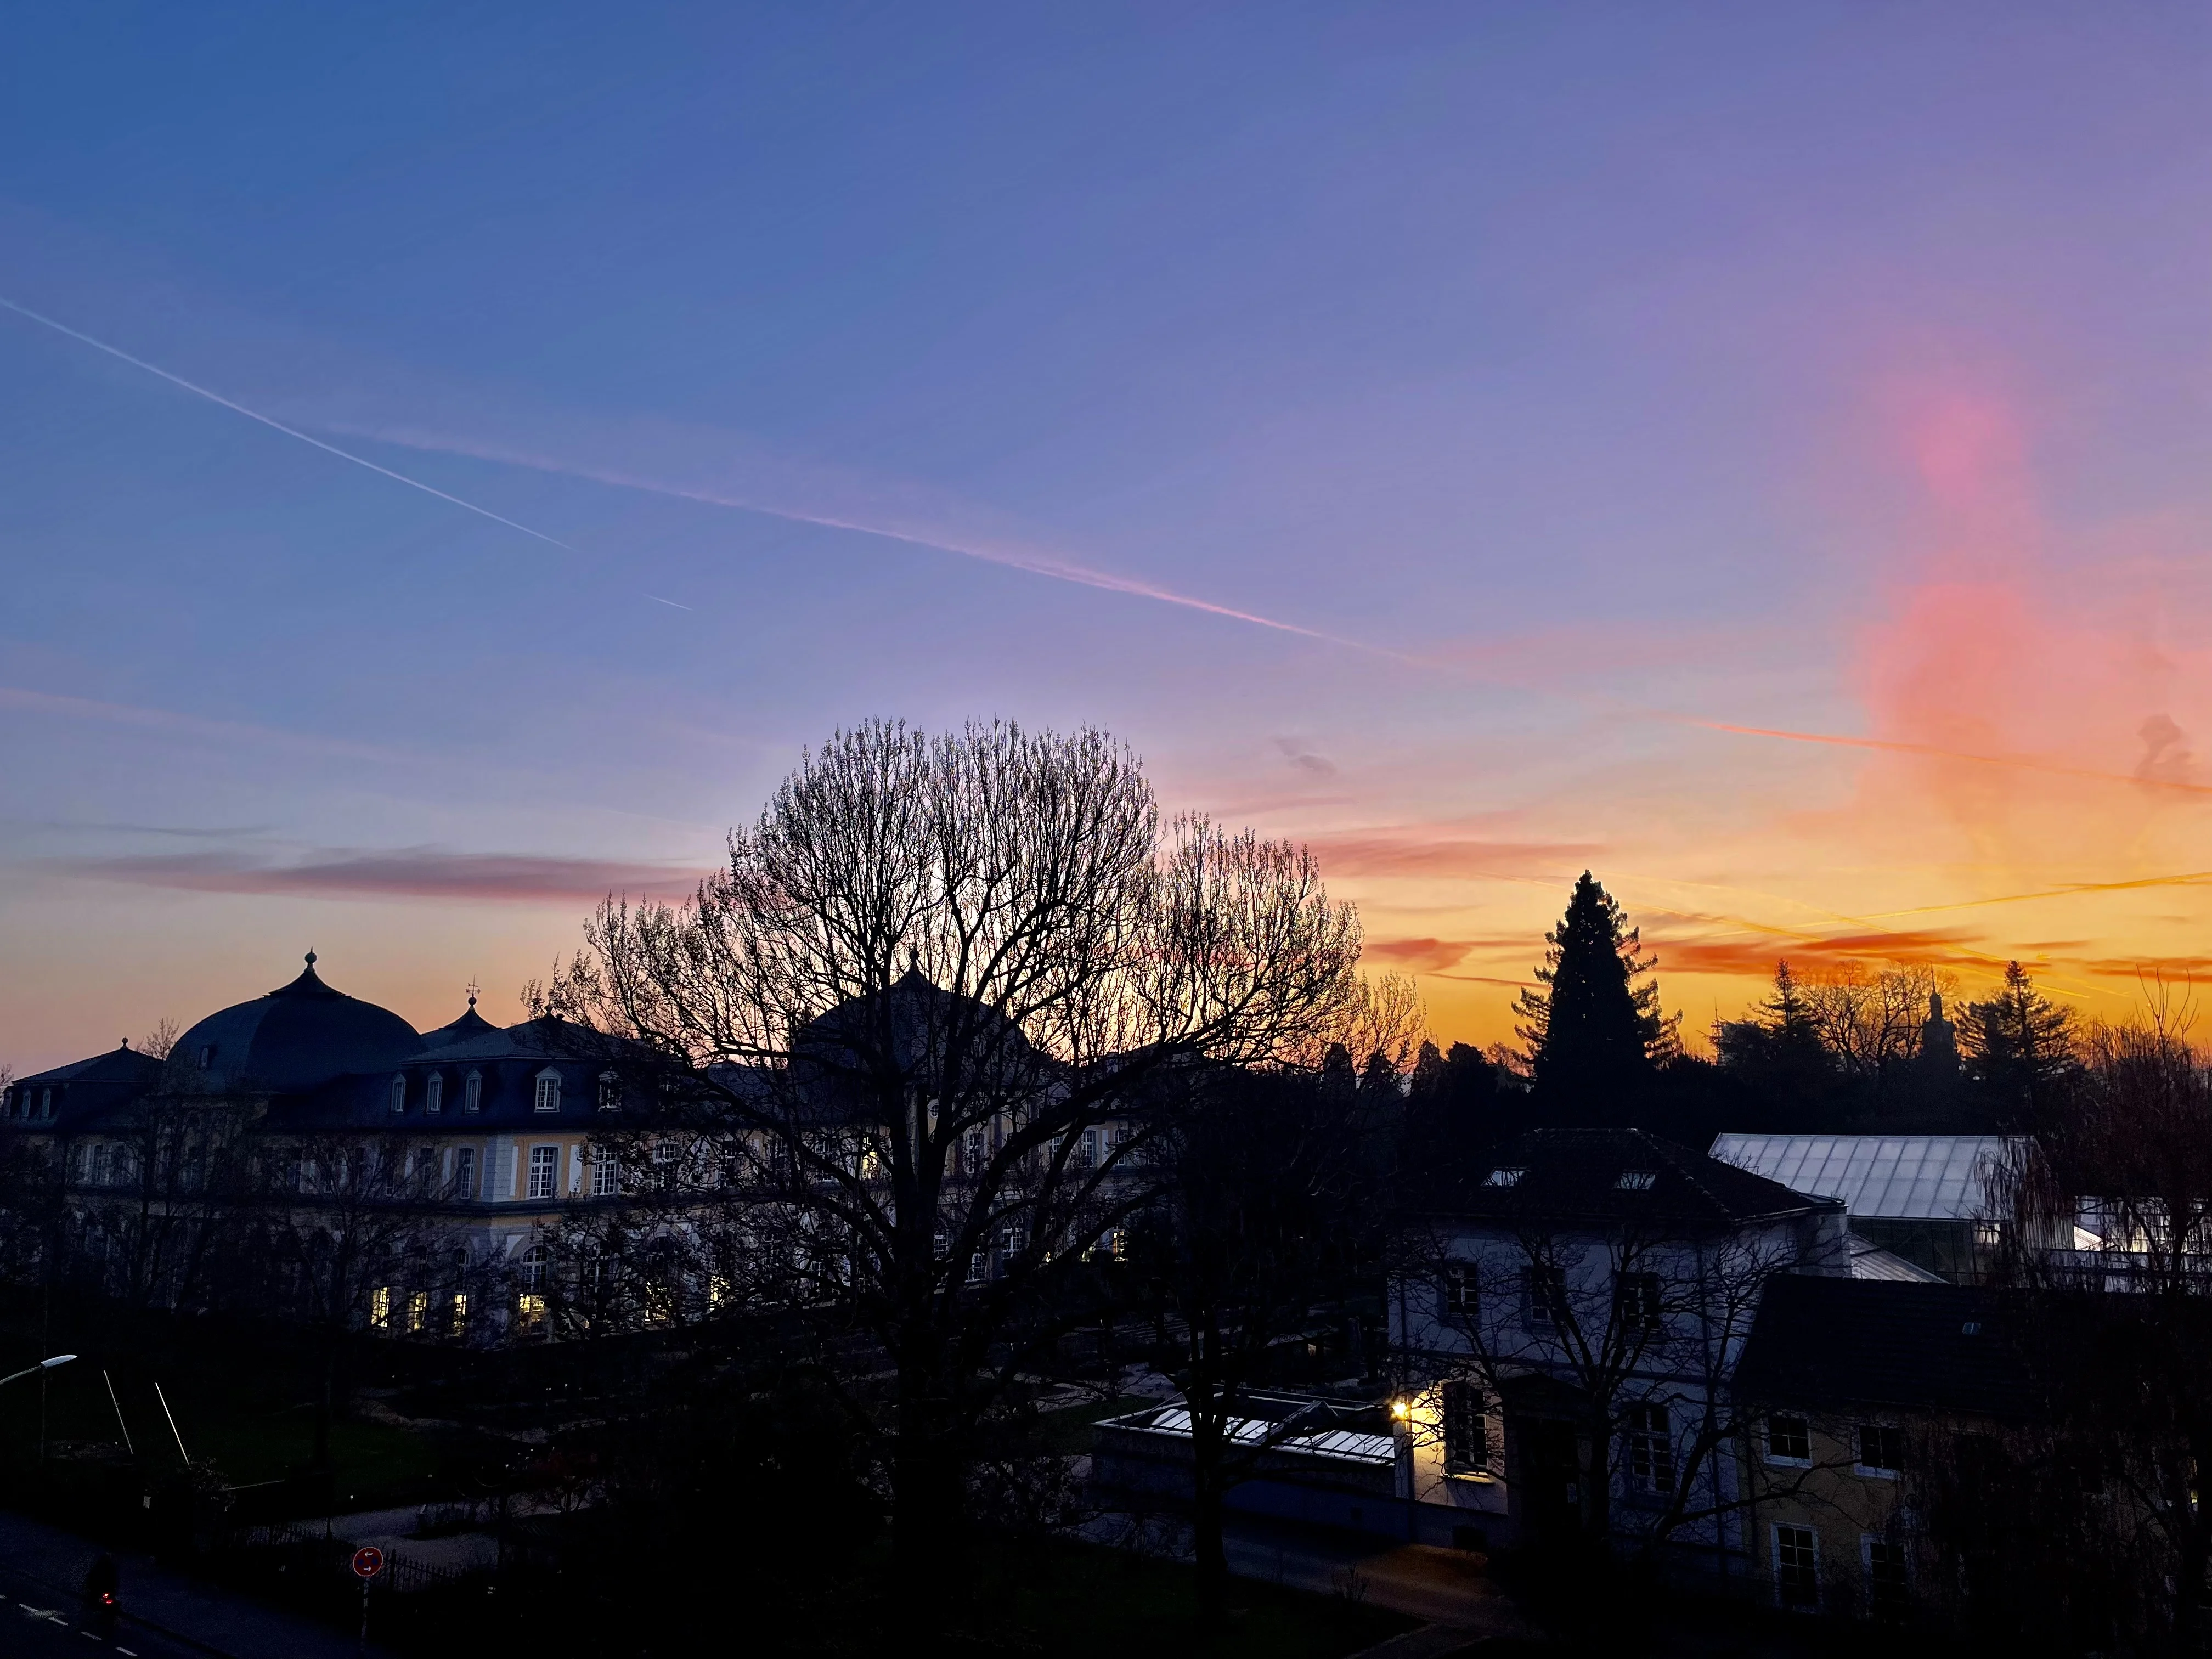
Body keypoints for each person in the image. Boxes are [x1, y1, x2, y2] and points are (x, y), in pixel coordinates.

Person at [82, 1551, 118, 1636]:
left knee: (107, 1602)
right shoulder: (108, 1569)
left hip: (102, 1591)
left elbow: (114, 1582)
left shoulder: (104, 1568)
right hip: (99, 1590)